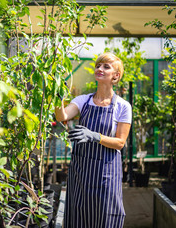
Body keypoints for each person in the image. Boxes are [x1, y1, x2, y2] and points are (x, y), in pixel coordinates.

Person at [55, 52, 132, 228]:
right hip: (81, 173)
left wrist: (94, 136)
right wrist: (57, 96)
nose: (99, 69)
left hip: (106, 174)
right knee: (78, 217)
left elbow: (120, 142)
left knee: (105, 218)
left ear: (116, 76)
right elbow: (62, 116)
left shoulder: (122, 106)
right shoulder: (83, 100)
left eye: (106, 66)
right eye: (98, 65)